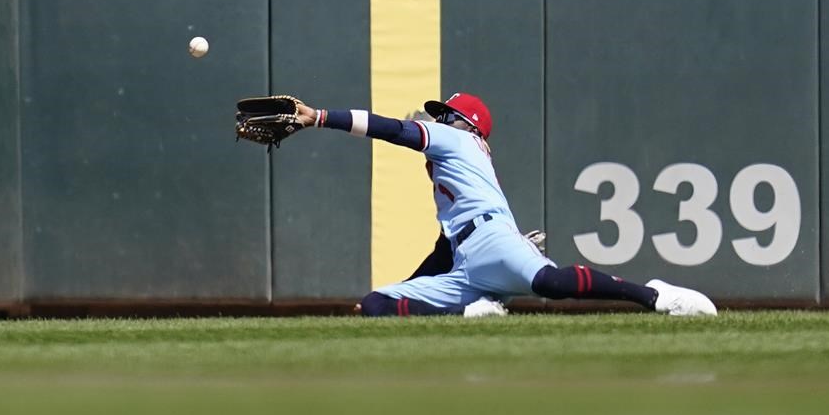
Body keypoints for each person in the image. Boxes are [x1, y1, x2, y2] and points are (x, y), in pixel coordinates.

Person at [295, 92, 717, 318]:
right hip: (466, 258)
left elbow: (393, 130)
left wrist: (319, 117)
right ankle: (477, 310)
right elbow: (443, 254)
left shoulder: (459, 140)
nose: (440, 121)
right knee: (376, 305)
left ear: (469, 127)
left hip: (491, 238)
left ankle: (655, 296)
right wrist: (406, 288)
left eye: (448, 115)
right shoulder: (454, 171)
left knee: (550, 286)